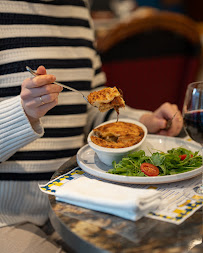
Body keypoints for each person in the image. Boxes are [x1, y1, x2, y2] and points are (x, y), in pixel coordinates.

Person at [0, 0, 183, 252]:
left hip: (80, 198)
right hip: (11, 216)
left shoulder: (77, 8)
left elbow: (90, 107)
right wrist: (24, 113)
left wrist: (141, 123)